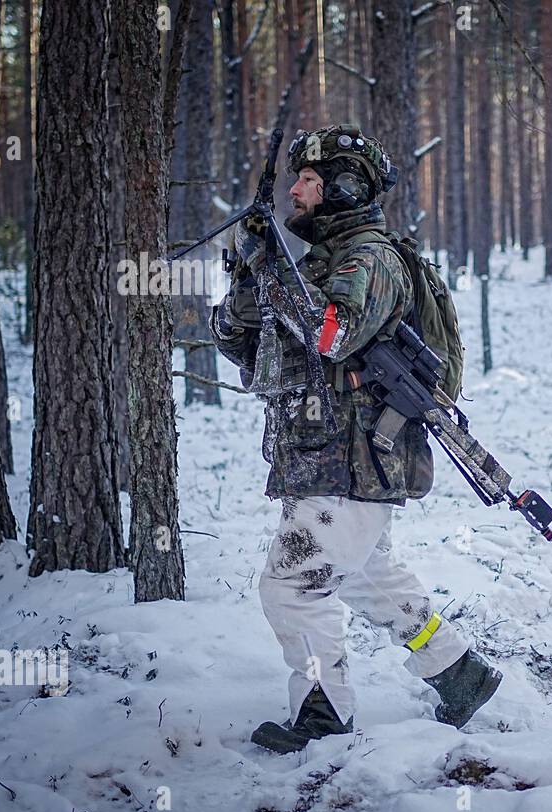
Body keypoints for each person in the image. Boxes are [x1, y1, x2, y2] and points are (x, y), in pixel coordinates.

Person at [210, 123, 500, 753]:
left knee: (292, 585)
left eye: (311, 179)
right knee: (372, 582)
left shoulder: (369, 259)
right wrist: (249, 280)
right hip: (326, 461)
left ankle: (324, 715)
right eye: (297, 178)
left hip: (348, 464)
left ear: (346, 187)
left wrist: (274, 270)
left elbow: (329, 335)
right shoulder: (311, 264)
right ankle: (458, 673)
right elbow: (238, 342)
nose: (297, 189)